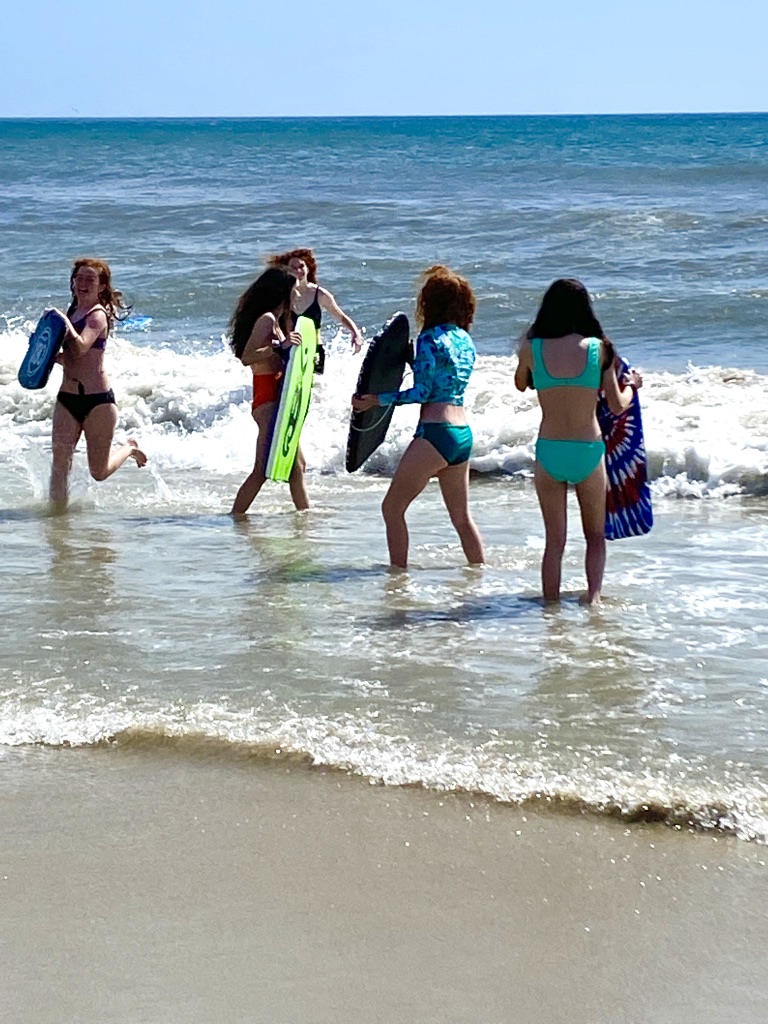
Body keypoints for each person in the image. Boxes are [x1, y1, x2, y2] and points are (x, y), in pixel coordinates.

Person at [514, 278, 642, 605]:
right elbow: (616, 404)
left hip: (550, 450)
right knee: (595, 536)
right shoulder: (600, 350)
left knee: (554, 541)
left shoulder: (532, 348)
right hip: (588, 450)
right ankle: (594, 597)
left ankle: (550, 606)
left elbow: (520, 385)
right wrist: (634, 386)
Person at [352, 265, 485, 570]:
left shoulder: (428, 339)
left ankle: (398, 577)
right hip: (462, 434)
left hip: (435, 434)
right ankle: (479, 578)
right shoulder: (465, 341)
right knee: (462, 518)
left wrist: (376, 399)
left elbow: (422, 393)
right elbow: (444, 380)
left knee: (392, 508)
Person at [49, 258, 147, 509]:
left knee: (99, 472)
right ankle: (57, 520)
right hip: (67, 397)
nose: (83, 283)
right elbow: (69, 358)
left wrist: (62, 323)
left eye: (90, 279)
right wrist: (44, 353)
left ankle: (129, 448)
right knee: (60, 464)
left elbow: (80, 348)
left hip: (97, 402)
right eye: (79, 278)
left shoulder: (97, 316)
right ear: (72, 282)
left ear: (101, 286)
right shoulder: (72, 312)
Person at [228, 266, 308, 515]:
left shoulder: (278, 320)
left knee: (298, 466)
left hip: (276, 397)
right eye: (293, 291)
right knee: (262, 469)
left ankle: (304, 515)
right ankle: (236, 517)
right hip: (268, 399)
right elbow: (247, 356)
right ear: (281, 293)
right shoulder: (267, 319)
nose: (297, 295)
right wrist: (280, 346)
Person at [268, 248, 363, 355]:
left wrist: (356, 334)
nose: (298, 271)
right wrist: (281, 342)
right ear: (287, 270)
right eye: (293, 268)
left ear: (308, 268)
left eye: (301, 266)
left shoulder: (320, 294)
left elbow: (341, 316)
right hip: (289, 349)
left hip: (314, 352)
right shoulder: (281, 294)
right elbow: (272, 323)